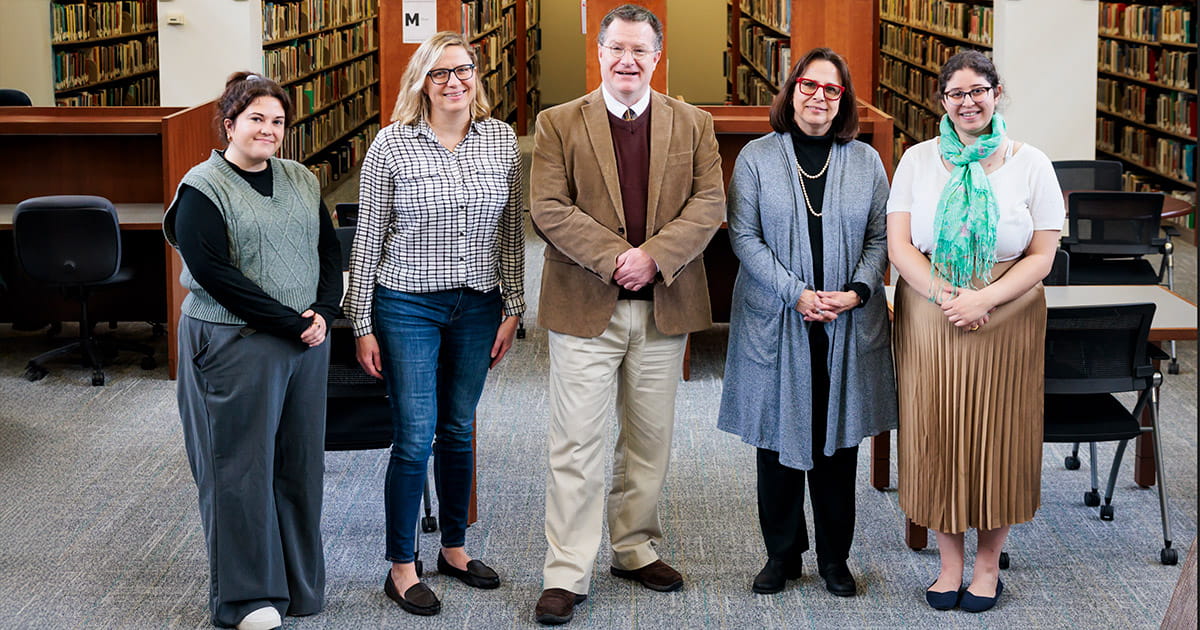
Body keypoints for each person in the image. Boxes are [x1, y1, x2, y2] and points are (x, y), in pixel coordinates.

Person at [528, 4, 725, 625]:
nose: (627, 61)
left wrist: (654, 258)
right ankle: (567, 571)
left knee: (648, 441)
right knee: (576, 444)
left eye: (640, 50)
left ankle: (634, 548)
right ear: (600, 52)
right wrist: (619, 259)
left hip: (663, 307)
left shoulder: (693, 123)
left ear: (657, 58)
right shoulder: (558, 122)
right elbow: (548, 207)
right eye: (617, 48)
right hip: (585, 304)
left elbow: (709, 203)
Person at [343, 31, 525, 617]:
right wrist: (361, 322)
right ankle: (401, 566)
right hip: (407, 304)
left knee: (459, 427)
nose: (454, 82)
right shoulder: (392, 144)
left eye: (463, 70)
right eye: (440, 72)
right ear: (422, 82)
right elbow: (367, 238)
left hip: (478, 304)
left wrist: (514, 307)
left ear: (477, 76)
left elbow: (511, 233)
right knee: (415, 435)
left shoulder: (501, 140)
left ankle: (453, 548)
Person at [887, 50, 1064, 613]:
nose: (968, 103)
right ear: (942, 101)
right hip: (931, 310)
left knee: (999, 433)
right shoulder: (917, 159)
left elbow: (1043, 254)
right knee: (935, 431)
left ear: (996, 93)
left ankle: (988, 565)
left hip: (1007, 311)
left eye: (978, 91)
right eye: (956, 94)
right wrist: (949, 298)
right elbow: (899, 246)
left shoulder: (1031, 163)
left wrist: (984, 298)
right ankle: (949, 565)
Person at [164, 71, 342, 630]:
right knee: (238, 471)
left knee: (298, 466)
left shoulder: (300, 178)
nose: (268, 129)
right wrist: (290, 322)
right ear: (229, 125)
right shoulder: (203, 187)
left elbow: (327, 250)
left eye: (278, 121)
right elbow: (214, 274)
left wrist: (324, 311)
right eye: (256, 119)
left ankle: (296, 586)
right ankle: (245, 599)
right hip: (234, 342)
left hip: (304, 342)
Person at [716, 47, 897, 598]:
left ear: (844, 100)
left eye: (831, 89)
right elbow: (743, 236)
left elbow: (880, 237)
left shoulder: (866, 162)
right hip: (777, 319)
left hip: (845, 323)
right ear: (792, 89)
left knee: (837, 445)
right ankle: (782, 554)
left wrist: (857, 291)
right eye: (809, 85)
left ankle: (835, 559)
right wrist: (794, 294)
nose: (819, 97)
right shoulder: (756, 157)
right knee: (775, 441)